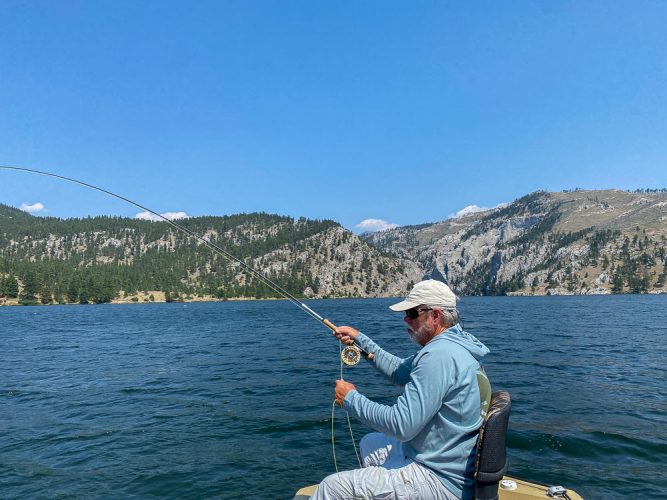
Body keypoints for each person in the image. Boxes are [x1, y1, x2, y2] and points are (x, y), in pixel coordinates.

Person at [311, 279, 491, 500]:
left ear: (435, 316)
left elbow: (401, 426)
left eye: (412, 313)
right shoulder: (454, 345)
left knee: (330, 487)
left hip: (440, 479)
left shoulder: (439, 356)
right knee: (371, 443)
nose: (406, 319)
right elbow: (398, 371)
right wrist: (360, 340)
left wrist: (350, 399)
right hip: (450, 462)